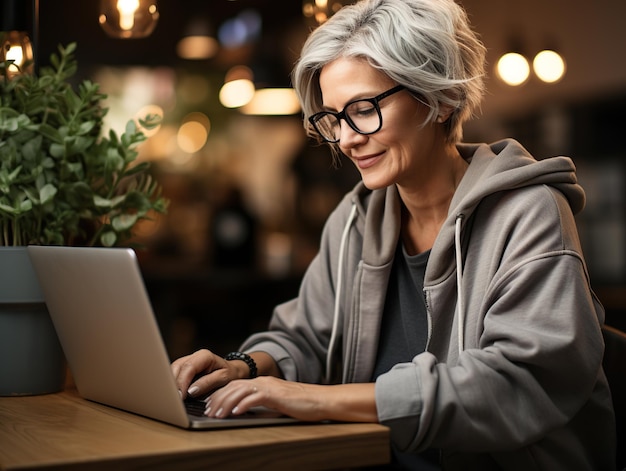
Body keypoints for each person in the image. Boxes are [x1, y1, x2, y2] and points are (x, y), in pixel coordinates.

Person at [171, 0, 616, 468]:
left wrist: (315, 400)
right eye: (332, 119)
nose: (345, 139)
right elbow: (307, 337)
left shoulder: (529, 214)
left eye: (363, 109)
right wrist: (243, 365)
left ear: (440, 99)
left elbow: (515, 383)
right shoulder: (354, 221)